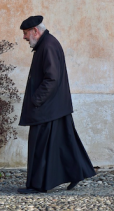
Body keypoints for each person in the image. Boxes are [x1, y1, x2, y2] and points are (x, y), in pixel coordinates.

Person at [17, 15, 96, 194]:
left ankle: (38, 185)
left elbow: (52, 79)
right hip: (54, 107)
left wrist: (35, 100)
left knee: (40, 146)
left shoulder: (48, 45)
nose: (24, 37)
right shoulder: (47, 44)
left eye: (25, 33)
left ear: (35, 31)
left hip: (47, 109)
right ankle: (76, 172)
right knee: (64, 143)